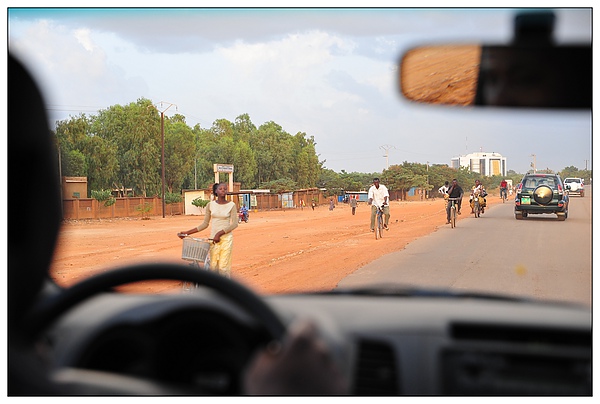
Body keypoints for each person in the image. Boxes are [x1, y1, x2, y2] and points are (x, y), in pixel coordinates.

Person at [178, 182, 238, 278]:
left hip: (226, 239)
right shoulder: (210, 205)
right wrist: (187, 232)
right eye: (221, 189)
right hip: (213, 240)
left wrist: (220, 233)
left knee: (223, 267)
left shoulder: (231, 205)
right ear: (216, 191)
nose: (223, 190)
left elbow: (234, 224)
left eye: (225, 189)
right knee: (213, 267)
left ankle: (224, 290)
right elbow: (205, 224)